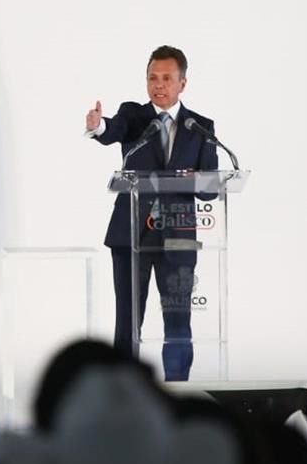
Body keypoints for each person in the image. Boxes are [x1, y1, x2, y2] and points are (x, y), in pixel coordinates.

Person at [85, 45, 218, 380]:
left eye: (166, 78)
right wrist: (99, 126)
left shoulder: (200, 127)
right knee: (128, 321)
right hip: (131, 234)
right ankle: (122, 393)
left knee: (178, 320)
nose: (158, 84)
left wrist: (196, 179)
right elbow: (112, 130)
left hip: (179, 237)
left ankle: (176, 392)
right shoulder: (134, 117)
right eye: (152, 78)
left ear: (182, 83)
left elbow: (210, 188)